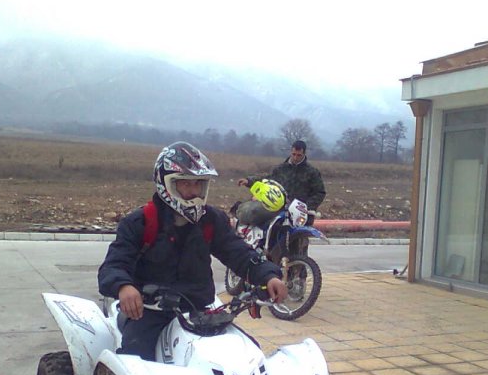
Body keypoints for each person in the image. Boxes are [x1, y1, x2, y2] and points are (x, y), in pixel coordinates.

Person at [98, 142, 288, 360]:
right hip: (150, 312)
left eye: (198, 183)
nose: (193, 191)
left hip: (199, 311)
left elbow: (238, 252)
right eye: (185, 184)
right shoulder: (140, 222)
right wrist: (124, 286)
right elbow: (113, 265)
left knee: (248, 355)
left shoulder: (211, 220)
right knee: (135, 362)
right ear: (165, 184)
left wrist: (268, 275)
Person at [238, 140, 326, 224]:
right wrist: (249, 181)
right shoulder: (280, 169)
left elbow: (319, 192)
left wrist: (306, 207)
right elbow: (267, 179)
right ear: (291, 152)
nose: (295, 158)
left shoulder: (312, 172)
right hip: (280, 208)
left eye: (299, 155)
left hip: (300, 213)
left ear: (304, 154)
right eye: (294, 154)